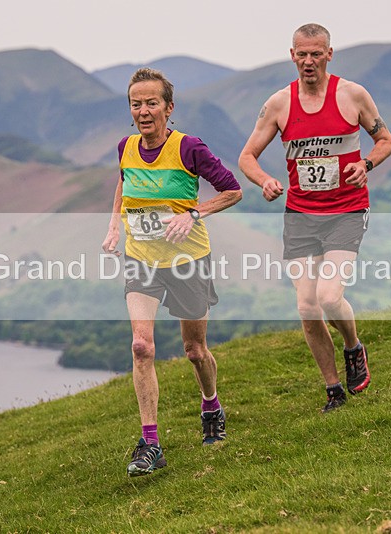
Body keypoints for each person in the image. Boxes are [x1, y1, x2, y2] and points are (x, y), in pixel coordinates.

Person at [238, 23, 391, 412]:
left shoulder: (352, 95)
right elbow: (246, 157)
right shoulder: (278, 104)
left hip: (346, 209)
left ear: (329, 54)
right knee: (307, 307)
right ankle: (333, 391)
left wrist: (366, 163)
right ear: (292, 55)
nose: (309, 61)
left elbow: (386, 140)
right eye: (301, 54)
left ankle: (353, 347)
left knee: (328, 296)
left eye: (316, 53)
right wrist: (265, 181)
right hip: (301, 215)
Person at [102, 68, 242, 476]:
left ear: (168, 107)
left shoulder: (189, 148)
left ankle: (211, 404)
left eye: (151, 103)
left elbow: (232, 189)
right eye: (136, 104)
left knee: (194, 350)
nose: (143, 111)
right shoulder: (125, 147)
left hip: (187, 262)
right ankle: (150, 443)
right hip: (142, 259)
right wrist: (114, 223)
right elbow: (125, 182)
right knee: (141, 346)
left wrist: (194, 213)